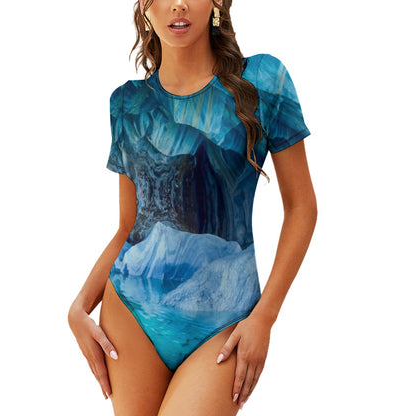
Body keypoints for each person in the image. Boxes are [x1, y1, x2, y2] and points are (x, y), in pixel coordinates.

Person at [68, 0, 318, 414]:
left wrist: (265, 317)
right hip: (131, 314)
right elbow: (129, 227)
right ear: (143, 7)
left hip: (226, 322)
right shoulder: (128, 104)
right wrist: (79, 308)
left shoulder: (263, 80)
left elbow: (301, 207)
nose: (178, 4)